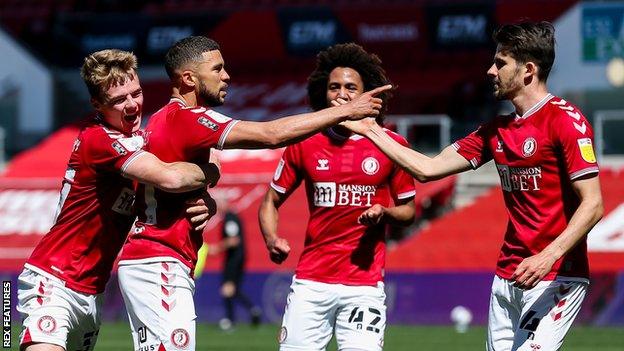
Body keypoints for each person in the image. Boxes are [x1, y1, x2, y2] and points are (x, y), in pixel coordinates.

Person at [116, 36, 390, 351]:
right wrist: (346, 111)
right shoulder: (187, 118)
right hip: (157, 260)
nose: (226, 76)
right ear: (189, 78)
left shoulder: (164, 119)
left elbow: (171, 182)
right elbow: (270, 135)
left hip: (152, 260)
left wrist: (206, 195)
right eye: (217, 68)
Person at [342, 22, 603, 351]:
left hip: (556, 276)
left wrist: (547, 257)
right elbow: (427, 168)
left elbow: (593, 204)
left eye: (500, 63)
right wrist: (369, 129)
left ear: (529, 70)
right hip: (507, 276)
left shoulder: (565, 121)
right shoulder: (496, 130)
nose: (490, 70)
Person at [16, 49, 217, 351]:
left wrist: (206, 204)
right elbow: (171, 178)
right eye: (118, 100)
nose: (132, 105)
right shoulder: (99, 140)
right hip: (53, 280)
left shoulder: (139, 145)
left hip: (91, 292)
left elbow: (169, 194)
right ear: (96, 104)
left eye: (135, 93)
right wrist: (212, 170)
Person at [258, 43, 416, 351]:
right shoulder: (304, 143)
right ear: (322, 92)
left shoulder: (391, 144)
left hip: (365, 285)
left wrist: (385, 211)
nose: (341, 94)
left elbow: (408, 211)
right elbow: (270, 202)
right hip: (311, 283)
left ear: (366, 94)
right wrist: (270, 238)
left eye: (350, 87)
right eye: (333, 87)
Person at [205, 199, 262, 331]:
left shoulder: (230, 219)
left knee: (227, 289)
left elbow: (234, 240)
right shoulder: (231, 218)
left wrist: (217, 248)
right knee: (232, 290)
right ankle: (253, 310)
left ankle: (230, 320)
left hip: (234, 259)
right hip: (236, 258)